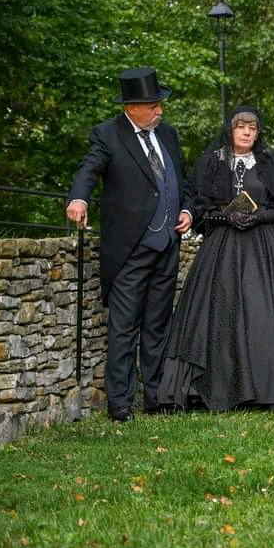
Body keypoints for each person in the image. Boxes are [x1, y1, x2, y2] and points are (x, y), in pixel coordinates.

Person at [157, 106, 274, 411]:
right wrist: (224, 216)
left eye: (253, 128)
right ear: (230, 129)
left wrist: (259, 216)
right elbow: (200, 207)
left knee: (269, 313)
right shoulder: (212, 162)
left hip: (266, 247)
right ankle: (214, 388)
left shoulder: (270, 163)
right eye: (241, 126)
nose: (247, 132)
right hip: (221, 250)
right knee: (219, 313)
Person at [66, 67, 193, 422]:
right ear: (132, 107)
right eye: (153, 105)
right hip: (128, 249)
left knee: (157, 324)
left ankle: (155, 396)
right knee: (123, 328)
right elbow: (89, 169)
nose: (160, 111)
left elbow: (182, 181)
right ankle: (120, 402)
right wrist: (79, 199)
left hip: (167, 244)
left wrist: (187, 210)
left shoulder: (167, 135)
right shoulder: (108, 134)